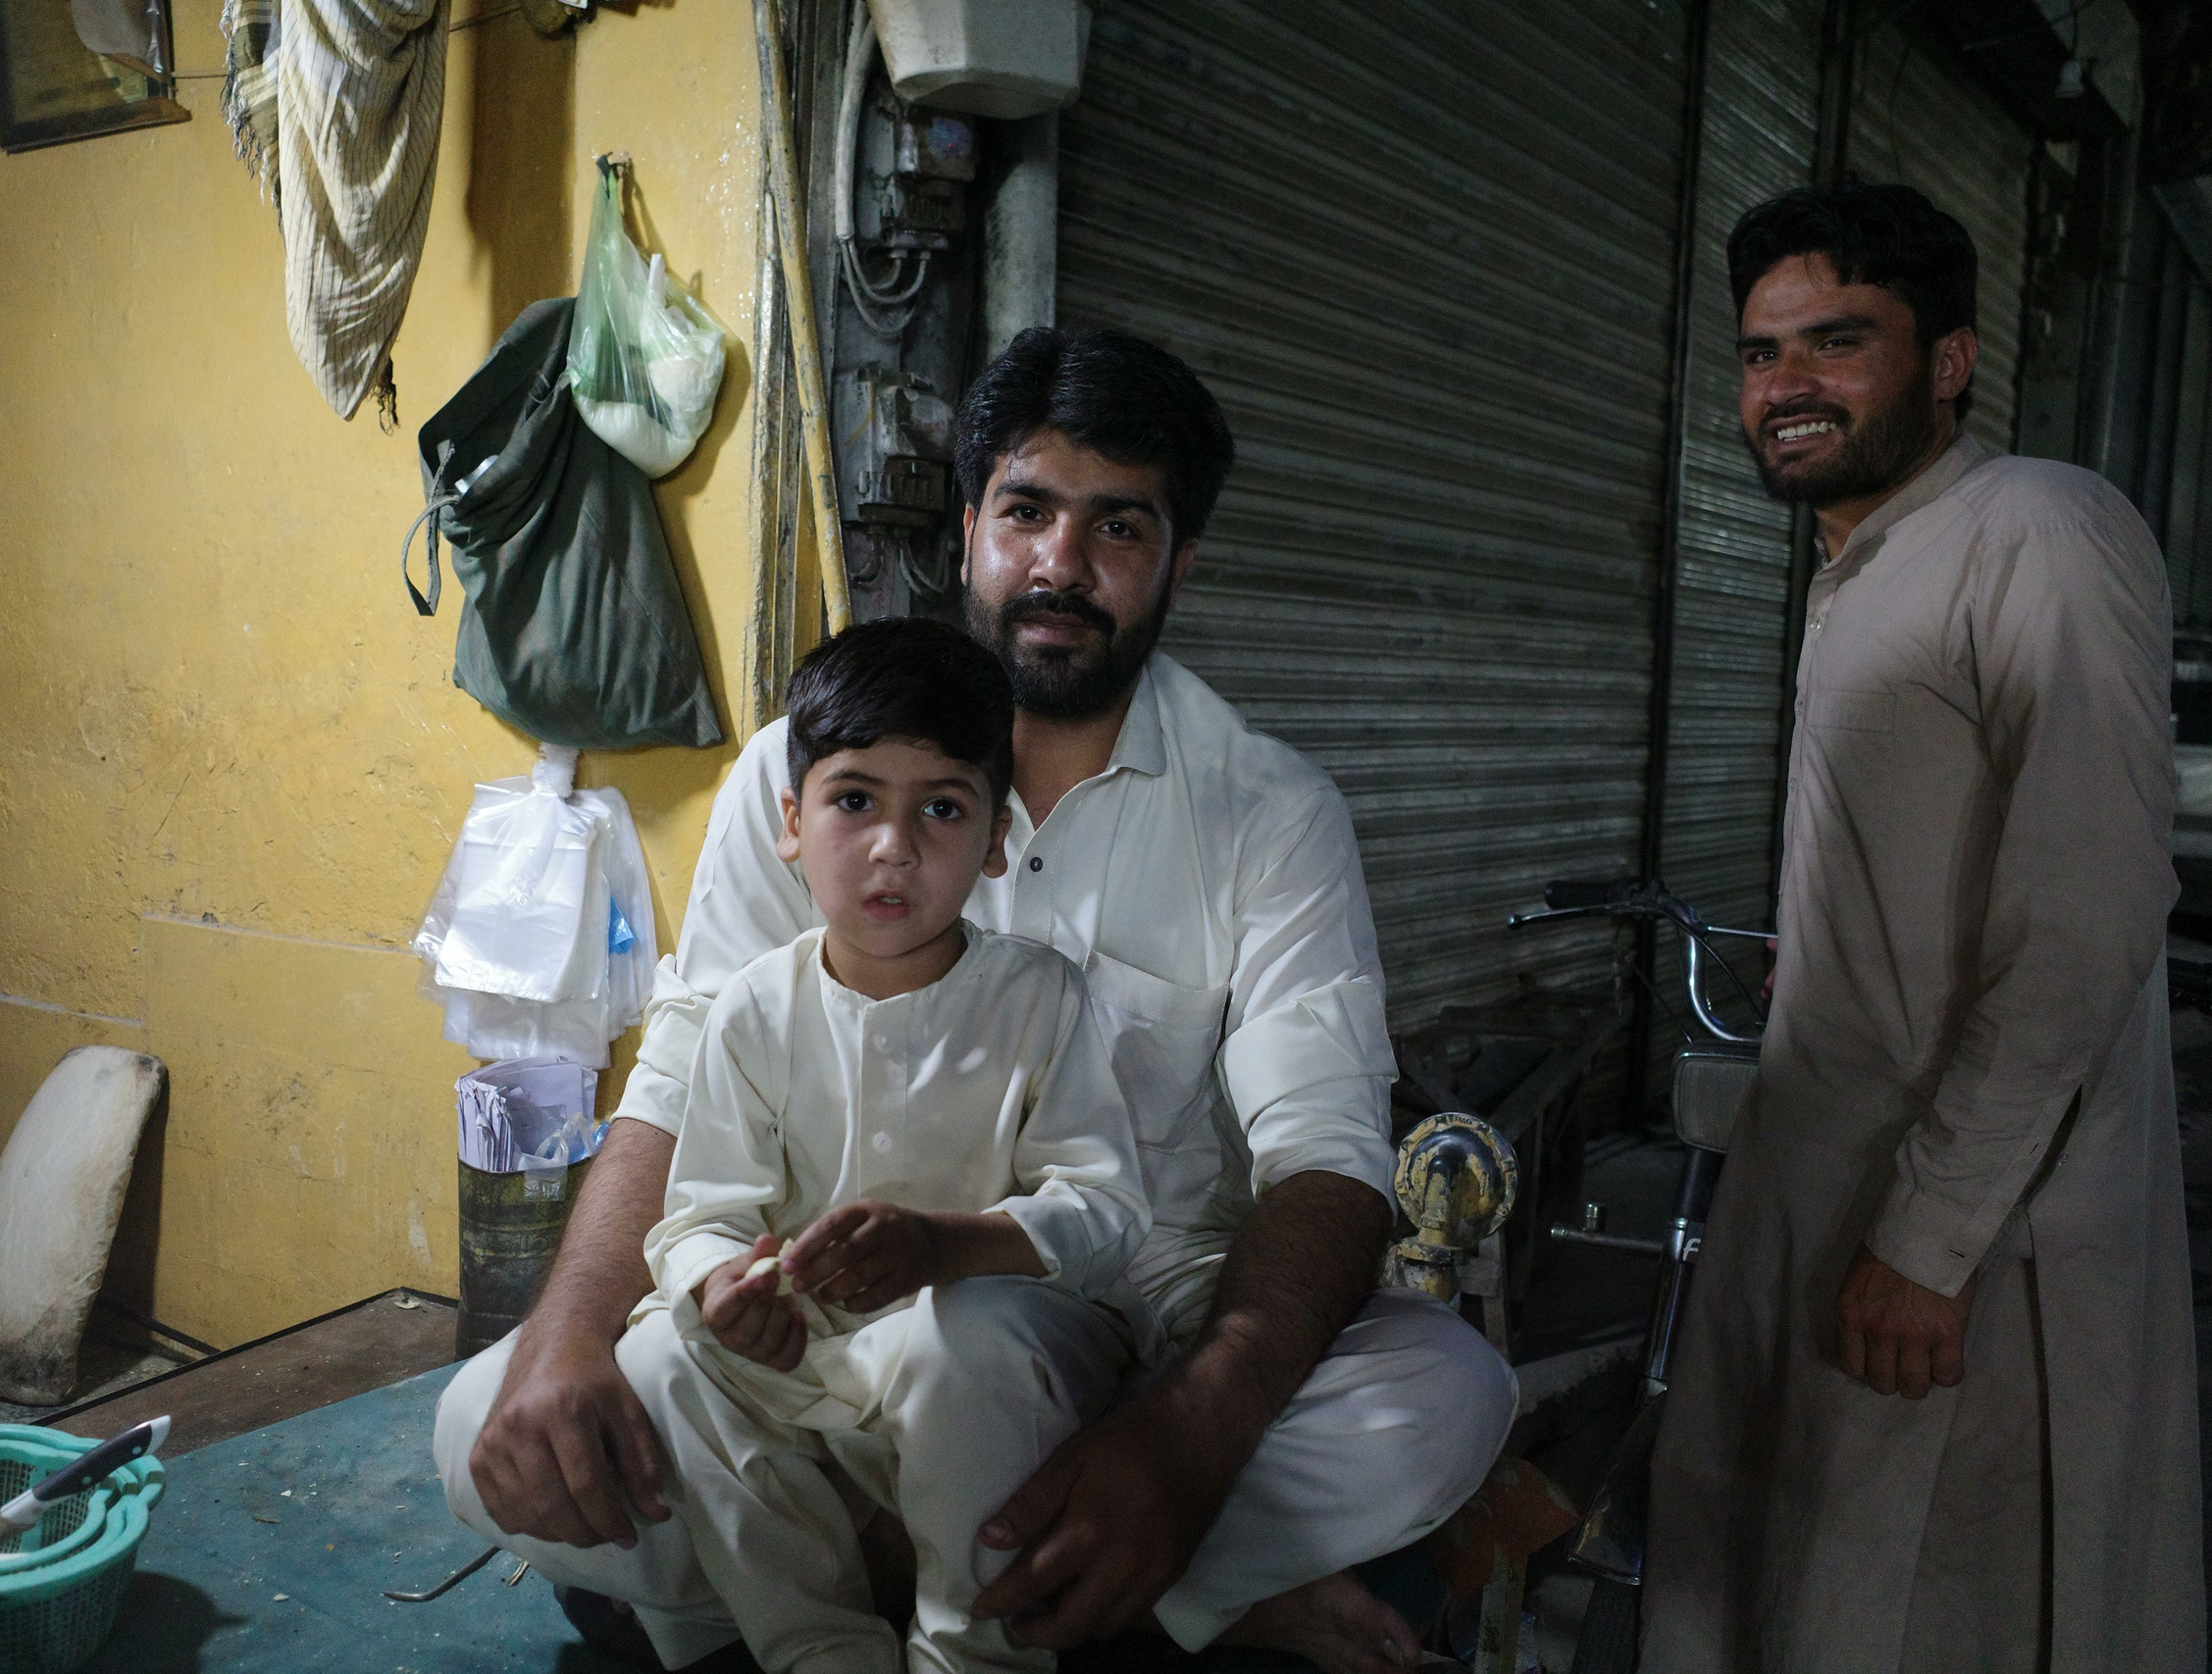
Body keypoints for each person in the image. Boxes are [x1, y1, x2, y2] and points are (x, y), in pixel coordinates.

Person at [436, 328, 1517, 1674]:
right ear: (969, 531)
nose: (1061, 563)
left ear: (1182, 562)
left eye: (1118, 525)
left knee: (1444, 1393)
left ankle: (854, 1559)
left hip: (1111, 1359)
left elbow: (1327, 1160)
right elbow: (677, 1078)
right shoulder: (801, 765)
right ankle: (1157, 1586)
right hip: (803, 1354)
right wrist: (562, 1332)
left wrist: (1184, 1440)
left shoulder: (1267, 812)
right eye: (1026, 510)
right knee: (491, 1418)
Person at [1643, 180, 2202, 1672]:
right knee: (1813, 1581)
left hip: (1974, 1229)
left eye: (1839, 342)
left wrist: (1934, 1234)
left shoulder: (2038, 528)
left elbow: (2087, 908)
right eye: (1764, 354)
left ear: (1948, 362)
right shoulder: (1865, 564)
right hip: (1837, 1181)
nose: (1788, 388)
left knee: (1931, 1603)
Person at [624, 616, 1150, 1674]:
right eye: (853, 800)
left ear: (996, 840)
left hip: (997, 1366)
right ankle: (817, 1649)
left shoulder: (1039, 998)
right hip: (815, 1359)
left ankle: (973, 1654)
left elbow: (1107, 1214)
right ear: (790, 821)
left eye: (942, 809)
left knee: (962, 1343)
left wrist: (954, 1248)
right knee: (657, 1355)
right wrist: (724, 1285)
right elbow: (701, 1213)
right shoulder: (752, 1010)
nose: (892, 848)